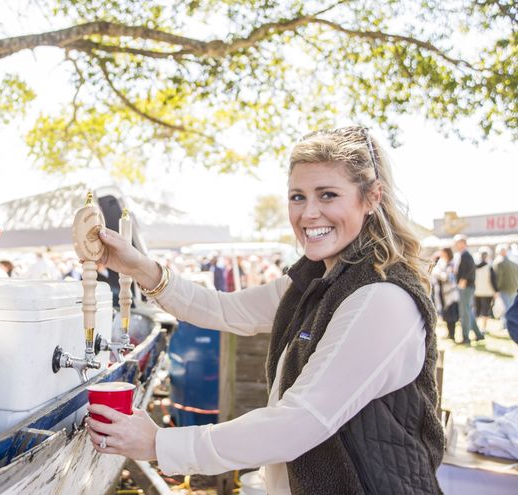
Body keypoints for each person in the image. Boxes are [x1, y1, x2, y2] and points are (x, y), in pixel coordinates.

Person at [86, 126, 444, 494]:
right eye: (297, 197)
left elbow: (297, 423)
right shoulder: (318, 280)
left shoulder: (381, 298)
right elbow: (224, 310)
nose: (308, 214)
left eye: (328, 195)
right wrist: (136, 266)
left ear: (371, 198)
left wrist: (159, 444)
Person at [453, 235, 484, 344]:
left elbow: (471, 267)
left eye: (457, 242)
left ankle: (466, 337)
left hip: (465, 286)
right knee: (467, 311)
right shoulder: (462, 255)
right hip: (465, 286)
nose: (455, 245)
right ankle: (479, 335)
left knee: (465, 312)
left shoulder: (466, 255)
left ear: (463, 243)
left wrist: (463, 280)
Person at [432, 247, 460, 340]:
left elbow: (450, 278)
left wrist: (439, 274)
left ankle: (452, 334)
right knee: (446, 313)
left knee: (451, 313)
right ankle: (449, 333)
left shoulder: (452, 263)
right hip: (443, 292)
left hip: (450, 293)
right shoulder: (442, 263)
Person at [493, 244, 518, 329]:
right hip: (514, 288)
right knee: (511, 306)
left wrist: (496, 289)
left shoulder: (499, 262)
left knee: (506, 307)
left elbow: (498, 277)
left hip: (504, 288)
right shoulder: (514, 262)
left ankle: (507, 325)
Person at [473, 247, 496, 333]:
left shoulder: (475, 266)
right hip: (487, 292)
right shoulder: (489, 267)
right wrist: (496, 291)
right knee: (485, 311)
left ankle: (476, 328)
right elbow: (493, 280)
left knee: (477, 311)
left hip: (477, 291)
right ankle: (483, 328)